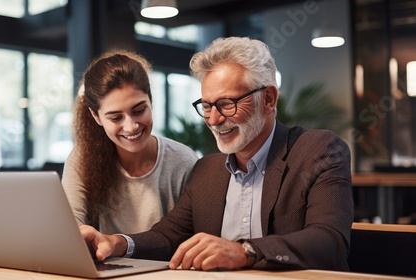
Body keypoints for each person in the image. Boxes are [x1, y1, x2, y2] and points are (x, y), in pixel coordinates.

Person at [78, 37, 354, 272]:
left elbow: (329, 241)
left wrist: (245, 251)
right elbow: (168, 236)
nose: (213, 119)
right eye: (207, 106)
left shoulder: (318, 151)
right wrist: (116, 243)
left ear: (268, 99)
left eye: (226, 104)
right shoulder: (206, 170)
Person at [62, 49, 198, 234]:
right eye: (116, 118)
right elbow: (70, 222)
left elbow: (192, 233)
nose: (131, 126)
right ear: (96, 117)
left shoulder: (183, 161)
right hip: (109, 261)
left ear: (150, 100)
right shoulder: (84, 157)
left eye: (139, 110)